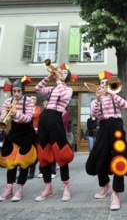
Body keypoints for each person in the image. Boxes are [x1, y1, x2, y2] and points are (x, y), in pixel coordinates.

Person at [86, 71, 127, 211]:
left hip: (117, 127)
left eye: (106, 84)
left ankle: (116, 193)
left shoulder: (115, 97)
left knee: (119, 158)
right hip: (103, 127)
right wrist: (97, 99)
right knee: (99, 157)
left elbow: (126, 105)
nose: (104, 86)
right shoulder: (95, 101)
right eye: (102, 84)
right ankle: (104, 185)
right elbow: (94, 114)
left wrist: (112, 93)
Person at [34, 65, 74, 202]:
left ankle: (66, 186)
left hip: (56, 119)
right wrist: (48, 77)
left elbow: (63, 95)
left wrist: (58, 80)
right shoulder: (52, 89)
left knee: (61, 154)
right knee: (44, 154)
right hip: (45, 119)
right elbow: (37, 89)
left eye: (64, 72)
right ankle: (48, 187)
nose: (60, 72)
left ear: (66, 77)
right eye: (60, 71)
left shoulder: (68, 89)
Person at [0, 77, 37, 202]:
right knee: (10, 160)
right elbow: (2, 117)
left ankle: (19, 188)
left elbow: (28, 118)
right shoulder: (7, 102)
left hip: (26, 132)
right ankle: (9, 187)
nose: (16, 94)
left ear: (23, 91)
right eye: (14, 91)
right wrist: (4, 117)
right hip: (14, 132)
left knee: (23, 161)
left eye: (18, 91)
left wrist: (16, 113)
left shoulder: (29, 101)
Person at [36, 98, 57, 179]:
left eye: (46, 102)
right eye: (44, 102)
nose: (45, 103)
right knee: (42, 153)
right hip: (42, 136)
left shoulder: (53, 113)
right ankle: (42, 171)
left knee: (52, 154)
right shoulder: (41, 114)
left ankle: (53, 171)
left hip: (51, 135)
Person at [27, 95, 42, 179]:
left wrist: (28, 115)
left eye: (35, 99)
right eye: (32, 98)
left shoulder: (38, 108)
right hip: (27, 131)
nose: (33, 100)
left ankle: (32, 172)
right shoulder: (26, 107)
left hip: (35, 132)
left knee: (34, 151)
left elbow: (36, 115)